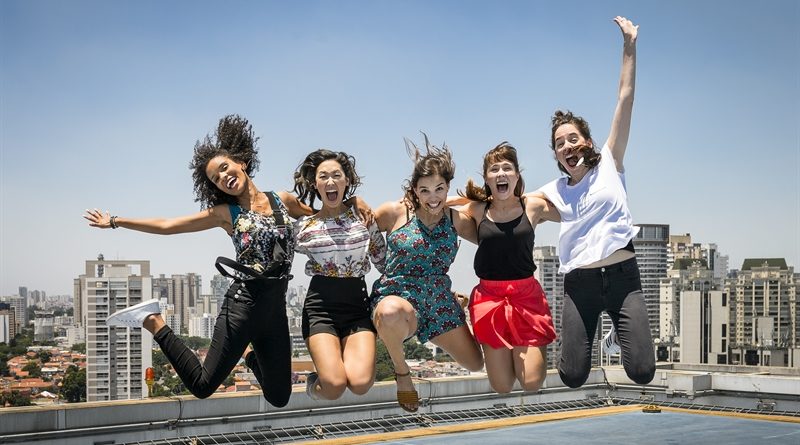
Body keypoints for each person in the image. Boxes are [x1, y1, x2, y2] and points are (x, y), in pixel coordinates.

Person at [84, 115, 367, 406]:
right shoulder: (226, 214)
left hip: (275, 310)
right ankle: (154, 321)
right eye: (216, 179)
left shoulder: (282, 200)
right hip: (242, 306)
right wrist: (116, 221)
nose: (223, 178)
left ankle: (250, 356)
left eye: (224, 168)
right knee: (202, 385)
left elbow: (324, 214)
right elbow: (168, 225)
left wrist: (353, 202)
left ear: (241, 162)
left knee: (279, 397)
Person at [530, 17, 655, 388]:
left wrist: (629, 45)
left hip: (623, 277)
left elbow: (625, 98)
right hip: (579, 283)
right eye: (559, 143)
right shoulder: (555, 190)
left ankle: (617, 331)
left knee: (642, 372)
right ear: (556, 154)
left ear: (587, 141)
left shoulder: (611, 162)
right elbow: (509, 201)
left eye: (573, 138)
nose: (567, 146)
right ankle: (601, 328)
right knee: (572, 375)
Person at [371, 134, 484, 412]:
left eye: (439, 189)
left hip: (438, 301)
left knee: (475, 363)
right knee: (389, 313)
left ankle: (427, 328)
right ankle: (402, 373)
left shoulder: (457, 220)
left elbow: (493, 235)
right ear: (414, 190)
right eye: (424, 190)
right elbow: (357, 231)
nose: (433, 198)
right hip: (398, 297)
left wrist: (465, 201)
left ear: (448, 188)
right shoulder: (394, 212)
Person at [456, 142, 558, 393]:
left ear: (516, 175)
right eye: (494, 169)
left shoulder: (531, 205)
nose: (501, 173)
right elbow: (440, 206)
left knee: (531, 383)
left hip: (526, 297)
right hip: (489, 298)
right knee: (501, 386)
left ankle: (528, 349)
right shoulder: (477, 209)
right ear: (486, 179)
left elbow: (573, 211)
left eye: (507, 168)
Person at [292, 149, 386, 401]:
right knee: (333, 387)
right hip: (320, 308)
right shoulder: (304, 227)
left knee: (360, 384)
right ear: (315, 184)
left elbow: (384, 263)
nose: (330, 181)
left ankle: (335, 366)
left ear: (347, 181)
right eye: (323, 176)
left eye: (337, 175)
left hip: (357, 307)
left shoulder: (364, 219)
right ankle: (314, 383)